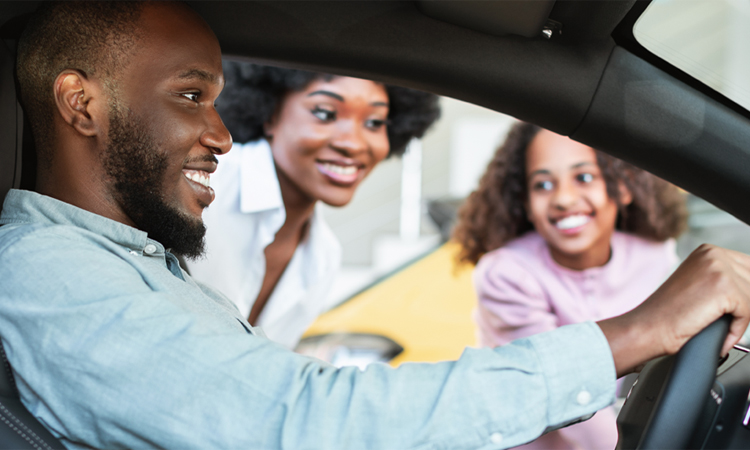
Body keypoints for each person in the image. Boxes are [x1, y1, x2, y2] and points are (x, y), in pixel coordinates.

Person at [1, 2, 750, 449]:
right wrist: (636, 333)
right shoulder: (49, 270)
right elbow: (296, 419)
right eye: (191, 95)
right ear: (82, 105)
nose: (224, 135)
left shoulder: (139, 264)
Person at [453, 122, 689, 450]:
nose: (563, 198)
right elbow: (562, 388)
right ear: (524, 202)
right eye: (543, 184)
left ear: (622, 187)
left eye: (584, 177)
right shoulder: (507, 274)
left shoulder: (655, 257)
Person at [186, 62, 440, 348]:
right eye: (325, 113)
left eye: (374, 122)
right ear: (270, 114)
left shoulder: (323, 257)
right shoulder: (206, 183)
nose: (353, 144)